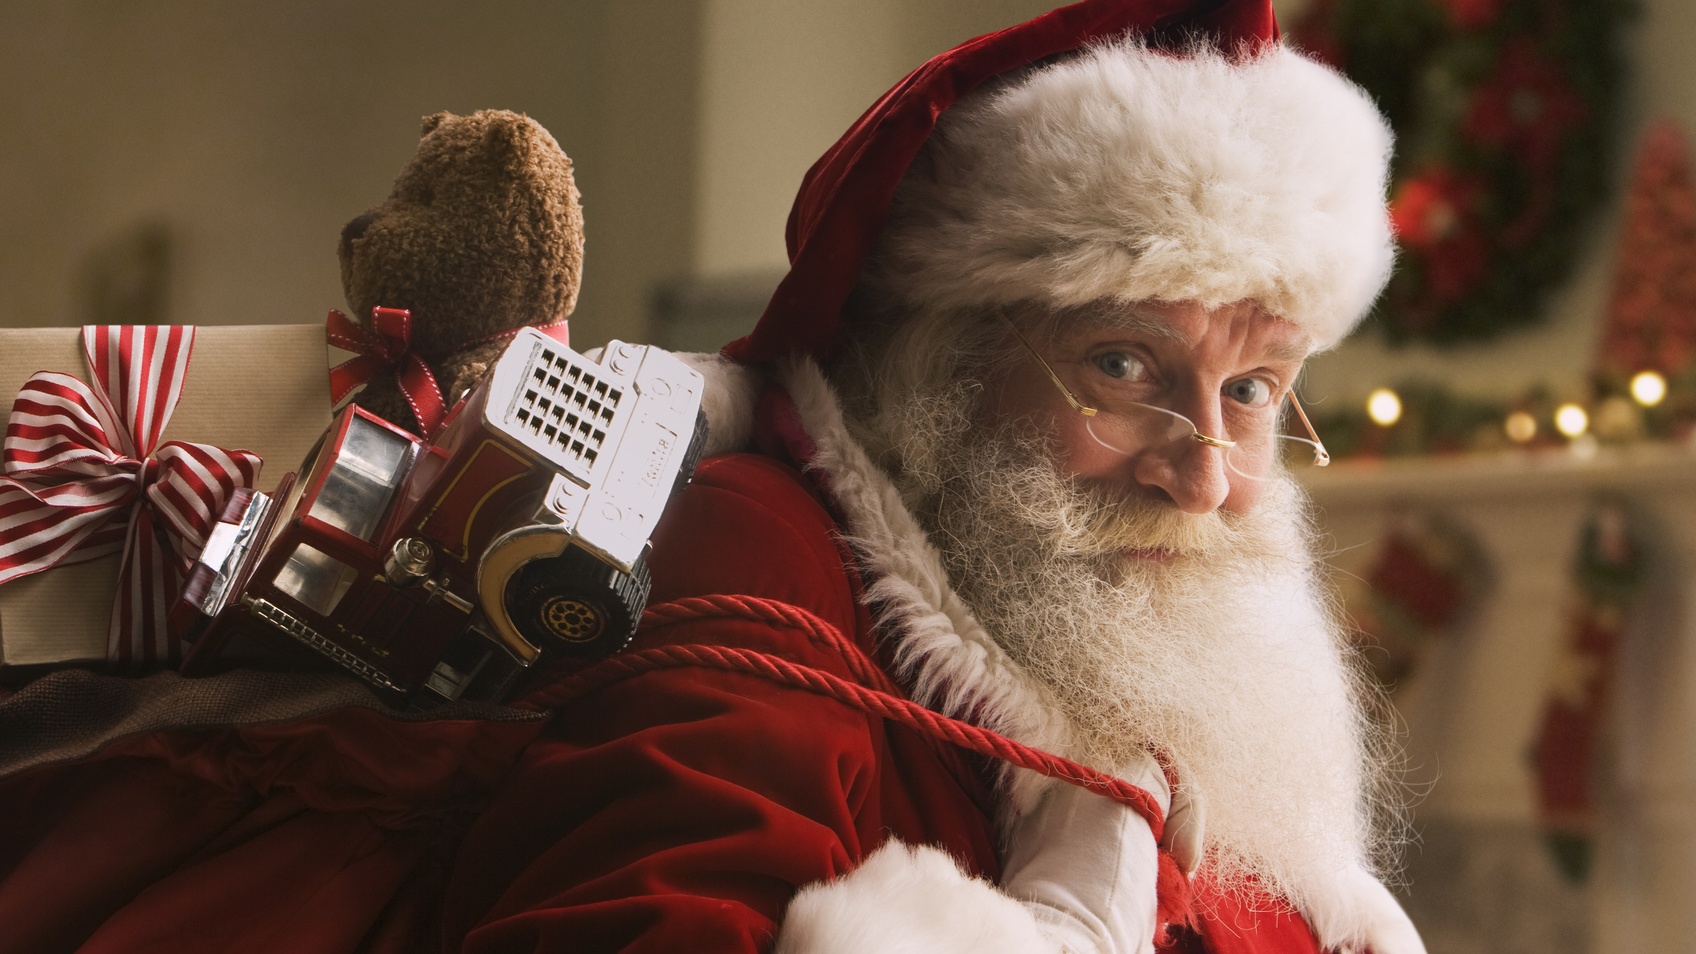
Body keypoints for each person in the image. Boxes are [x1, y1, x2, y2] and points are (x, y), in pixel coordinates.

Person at [0, 2, 1422, 953]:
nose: (1207, 470)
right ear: (934, 365)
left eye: (1250, 388)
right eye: (1123, 365)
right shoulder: (766, 560)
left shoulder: (1098, 658)